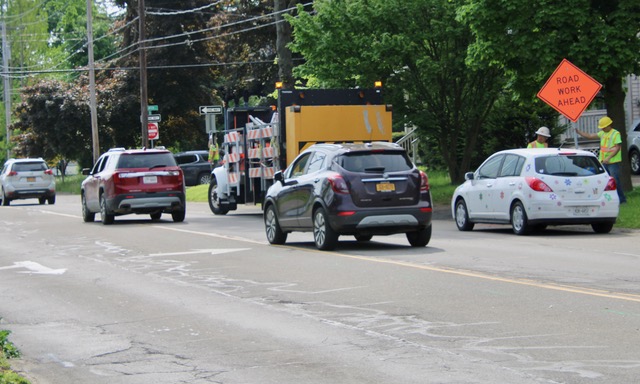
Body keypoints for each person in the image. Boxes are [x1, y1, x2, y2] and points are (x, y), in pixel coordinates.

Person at [575, 116, 626, 204]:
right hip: (603, 161)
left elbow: (618, 147)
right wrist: (578, 132)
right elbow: (590, 136)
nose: (602, 128)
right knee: (604, 181)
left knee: (615, 181)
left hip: (613, 162)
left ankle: (621, 200)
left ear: (609, 125)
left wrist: (609, 157)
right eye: (601, 127)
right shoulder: (602, 133)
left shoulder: (615, 134)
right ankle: (609, 199)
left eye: (604, 127)